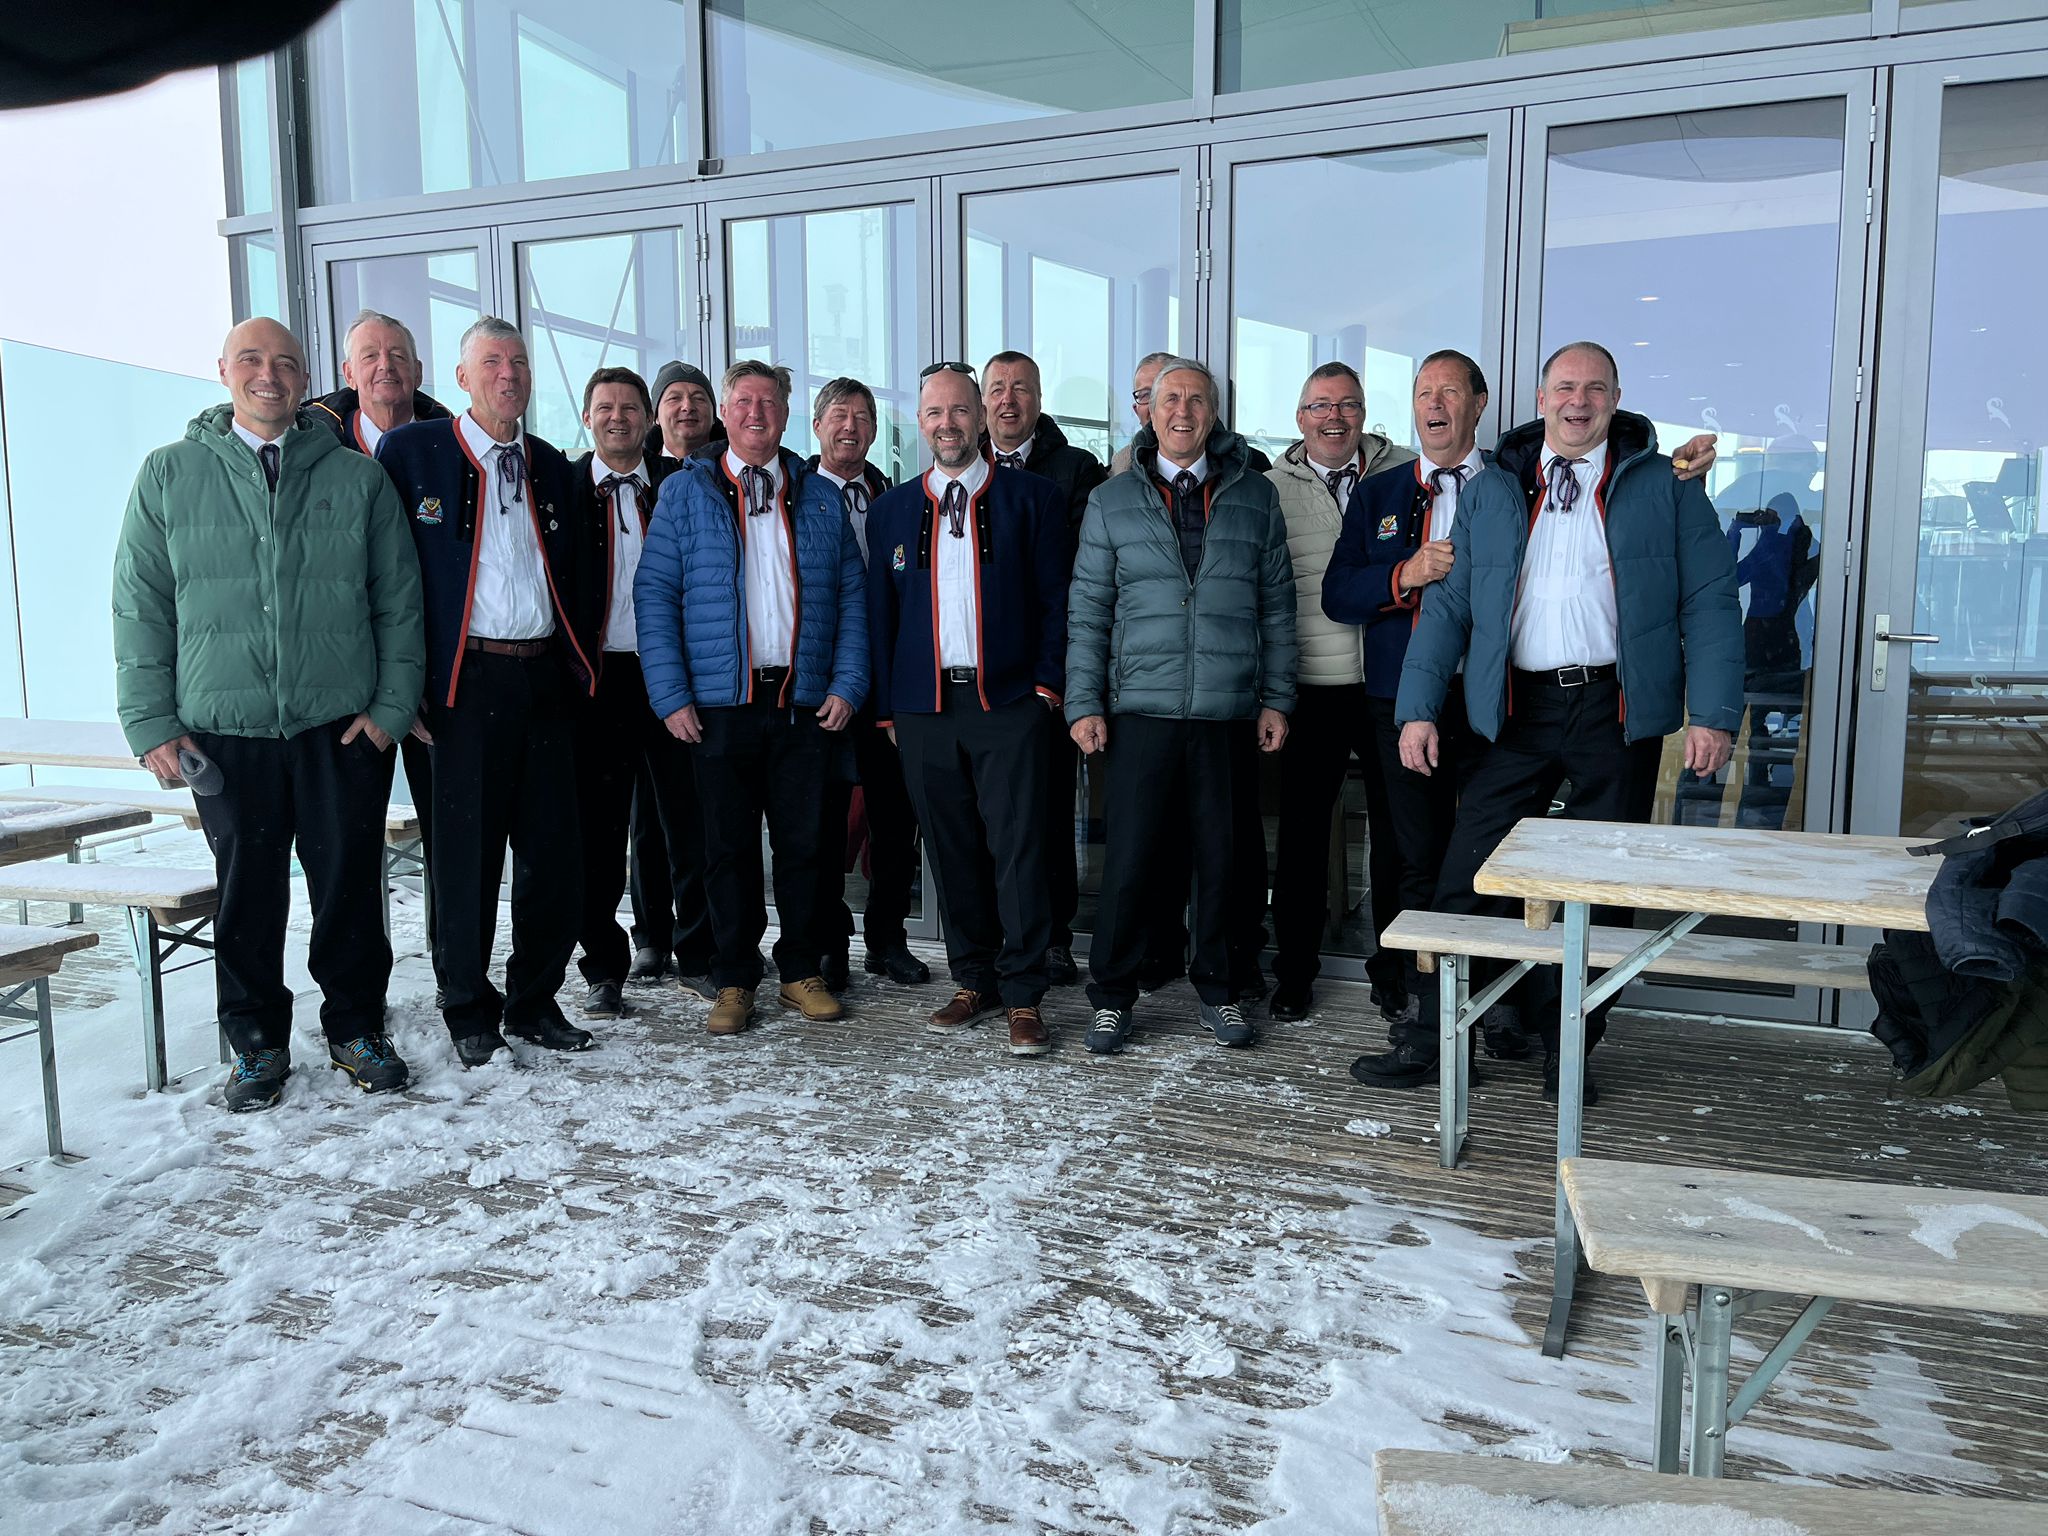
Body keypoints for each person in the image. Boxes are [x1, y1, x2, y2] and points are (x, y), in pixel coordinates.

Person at [1354, 341, 1742, 1102]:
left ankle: (1568, 1052)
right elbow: (1450, 606)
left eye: (1594, 389)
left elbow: (1711, 601)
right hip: (1517, 710)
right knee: (1467, 876)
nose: (1578, 401)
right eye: (1565, 387)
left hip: (1614, 711)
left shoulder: (1665, 485)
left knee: (1600, 890)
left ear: (1616, 399)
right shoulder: (1496, 488)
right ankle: (1435, 1037)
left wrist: (1714, 714)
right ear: (1540, 399)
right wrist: (1417, 709)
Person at [112, 317, 424, 1111]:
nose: (269, 375)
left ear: (307, 379)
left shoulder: (357, 478)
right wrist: (151, 722)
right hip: (225, 731)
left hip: (338, 728)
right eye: (251, 360)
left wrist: (390, 710)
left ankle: (356, 1029)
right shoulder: (169, 474)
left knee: (348, 889)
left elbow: (398, 603)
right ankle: (256, 1045)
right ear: (223, 371)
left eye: (285, 362)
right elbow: (141, 604)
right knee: (247, 895)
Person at [376, 316, 601, 1066]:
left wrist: (578, 670)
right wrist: (402, 683)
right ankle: (467, 1007)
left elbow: (577, 579)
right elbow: (384, 578)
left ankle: (535, 1000)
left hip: (543, 678)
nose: (509, 374)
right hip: (462, 684)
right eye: (493, 362)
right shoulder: (413, 453)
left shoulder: (553, 465)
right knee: (465, 856)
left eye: (519, 362)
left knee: (554, 854)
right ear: (463, 378)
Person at [1067, 358, 1297, 1055]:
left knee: (1223, 861)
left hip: (1226, 711)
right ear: (1150, 410)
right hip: (1142, 710)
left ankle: (1220, 989)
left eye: (1197, 400)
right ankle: (1112, 996)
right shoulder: (1111, 500)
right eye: (1170, 399)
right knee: (1131, 860)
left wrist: (1277, 698)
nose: (1183, 412)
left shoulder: (1255, 495)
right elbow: (1089, 610)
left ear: (1213, 413)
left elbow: (1278, 609)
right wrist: (1084, 702)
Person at [635, 360, 868, 1037]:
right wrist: (671, 695)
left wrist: (847, 684)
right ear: (725, 413)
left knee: (805, 847)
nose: (756, 413)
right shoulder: (685, 491)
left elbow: (852, 597)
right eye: (743, 401)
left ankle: (799, 970)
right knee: (726, 851)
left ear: (787, 415)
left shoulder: (818, 494)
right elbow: (655, 594)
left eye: (768, 402)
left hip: (802, 703)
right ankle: (734, 977)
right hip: (717, 708)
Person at [870, 362, 1071, 1054]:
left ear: (981, 416)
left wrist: (1046, 688)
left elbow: (1058, 601)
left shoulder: (1033, 498)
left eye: (960, 410)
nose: (948, 424)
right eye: (934, 413)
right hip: (923, 708)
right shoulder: (892, 509)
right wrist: (889, 711)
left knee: (1018, 850)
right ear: (920, 423)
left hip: (1009, 701)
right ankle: (974, 980)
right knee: (949, 847)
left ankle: (1024, 993)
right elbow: (881, 615)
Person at [1264, 362, 1415, 1024]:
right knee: (1301, 838)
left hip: (1389, 685)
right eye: (1320, 406)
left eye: (1348, 404)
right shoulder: (1272, 489)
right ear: (1300, 418)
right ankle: (1295, 972)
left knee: (1398, 836)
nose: (1335, 417)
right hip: (1312, 687)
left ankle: (1395, 970)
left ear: (1364, 413)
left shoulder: (1405, 475)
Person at [564, 365, 715, 1017]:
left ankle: (699, 954)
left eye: (630, 407)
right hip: (597, 680)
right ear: (587, 417)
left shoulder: (681, 487)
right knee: (599, 836)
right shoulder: (565, 488)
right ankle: (604, 967)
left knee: (690, 823)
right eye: (606, 407)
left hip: (671, 675)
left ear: (647, 419)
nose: (618, 418)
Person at [308, 308, 449, 1002]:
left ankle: (459, 985)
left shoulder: (451, 446)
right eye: (370, 355)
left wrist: (416, 683)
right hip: (347, 691)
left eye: (397, 354)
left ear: (419, 371)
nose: (385, 366)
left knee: (452, 846)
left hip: (438, 685)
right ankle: (357, 1008)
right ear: (347, 372)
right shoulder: (312, 451)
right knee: (348, 853)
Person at [980, 349, 1108, 988]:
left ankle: (1053, 936)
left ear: (1038, 400)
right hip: (978, 673)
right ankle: (992, 937)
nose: (1009, 400)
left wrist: (1051, 675)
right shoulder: (960, 464)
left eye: (1021, 389)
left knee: (1050, 812)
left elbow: (1078, 571)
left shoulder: (1075, 468)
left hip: (1045, 669)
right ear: (983, 401)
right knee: (987, 815)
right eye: (998, 389)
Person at [806, 376, 929, 991]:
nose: (850, 427)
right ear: (817, 426)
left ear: (876, 431)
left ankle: (888, 939)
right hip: (821, 684)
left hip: (887, 684)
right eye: (838, 415)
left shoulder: (895, 500)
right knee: (824, 823)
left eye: (861, 417)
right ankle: (829, 944)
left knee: (893, 819)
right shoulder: (794, 497)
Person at [629, 360, 721, 980]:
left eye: (697, 397)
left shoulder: (724, 475)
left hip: (702, 669)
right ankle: (650, 933)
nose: (686, 407)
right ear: (655, 412)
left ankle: (701, 933)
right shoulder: (635, 475)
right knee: (648, 816)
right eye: (673, 398)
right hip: (633, 666)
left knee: (694, 815)